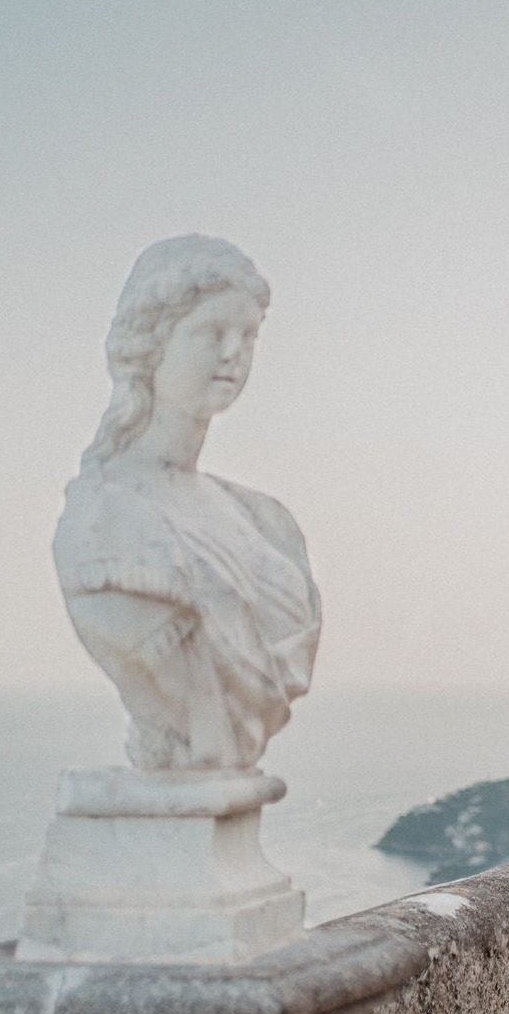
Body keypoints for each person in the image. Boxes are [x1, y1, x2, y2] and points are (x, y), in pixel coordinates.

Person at [52, 235, 320, 771]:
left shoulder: (265, 521)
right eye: (211, 332)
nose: (233, 354)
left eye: (248, 336)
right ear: (150, 346)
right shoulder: (106, 519)